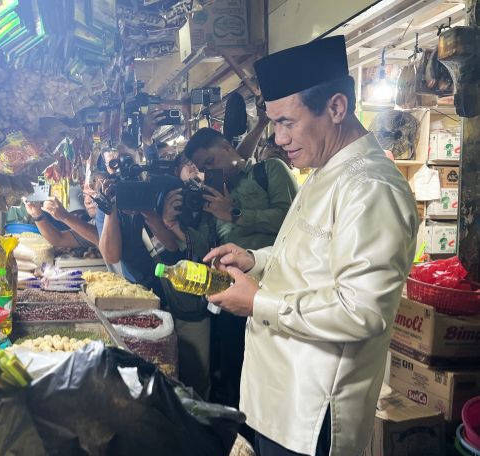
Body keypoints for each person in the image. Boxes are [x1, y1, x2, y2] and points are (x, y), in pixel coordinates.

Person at [203, 36, 419, 456]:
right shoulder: (325, 171)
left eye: (287, 121)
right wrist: (255, 260)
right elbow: (306, 258)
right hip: (276, 402)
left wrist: (260, 303)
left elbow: (364, 310)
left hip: (310, 416)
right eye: (273, 124)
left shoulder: (370, 187)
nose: (278, 138)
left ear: (336, 108)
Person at [161, 126, 298, 409]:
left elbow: (292, 221)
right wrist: (173, 225)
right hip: (232, 293)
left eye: (210, 162)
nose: (210, 171)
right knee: (234, 374)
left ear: (225, 145)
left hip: (278, 290)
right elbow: (204, 248)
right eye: (202, 168)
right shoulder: (214, 196)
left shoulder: (270, 170)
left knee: (277, 376)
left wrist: (234, 213)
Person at [95, 143, 180, 301]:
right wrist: (110, 211)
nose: (122, 167)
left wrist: (147, 210)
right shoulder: (107, 202)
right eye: (114, 164)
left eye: (127, 159)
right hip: (141, 294)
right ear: (108, 168)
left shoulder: (165, 187)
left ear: (139, 155)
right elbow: (112, 257)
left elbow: (174, 246)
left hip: (179, 292)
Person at [24, 188, 99, 249]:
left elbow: (100, 239)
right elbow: (58, 239)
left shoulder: (106, 224)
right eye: (85, 195)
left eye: (93, 192)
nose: (87, 201)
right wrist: (37, 215)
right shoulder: (95, 224)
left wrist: (65, 216)